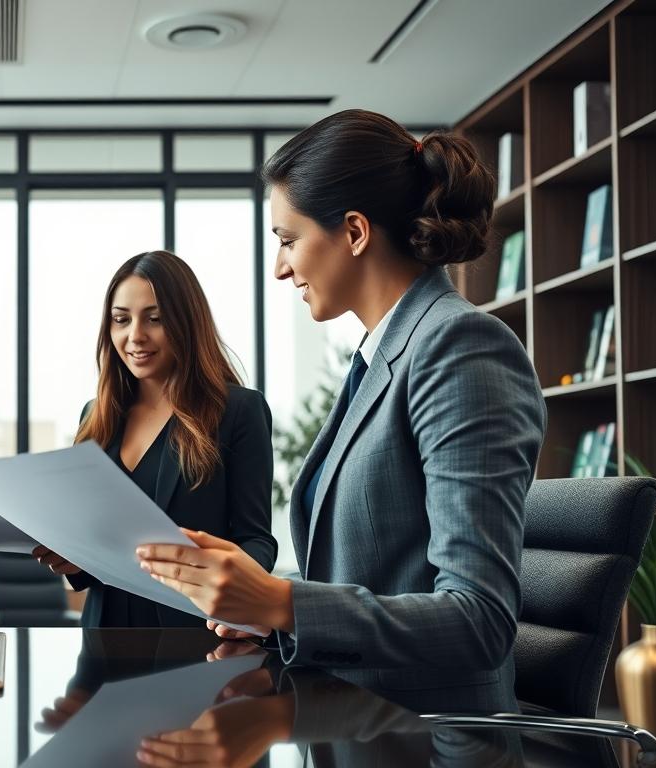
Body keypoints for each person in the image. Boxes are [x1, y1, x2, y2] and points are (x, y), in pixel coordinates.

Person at [137, 109, 546, 708]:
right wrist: (265, 602)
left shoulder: (460, 348)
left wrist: (281, 603)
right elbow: (369, 575)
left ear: (354, 232)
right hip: (355, 717)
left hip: (428, 737)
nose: (280, 267)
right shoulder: (383, 355)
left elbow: (478, 621)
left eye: (288, 239)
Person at [33, 250, 276, 627]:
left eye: (155, 319)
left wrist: (234, 595)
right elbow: (90, 555)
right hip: (104, 638)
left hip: (195, 635)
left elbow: (256, 540)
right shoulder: (96, 416)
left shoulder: (237, 411)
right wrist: (71, 555)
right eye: (120, 320)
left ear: (185, 322)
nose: (135, 336)